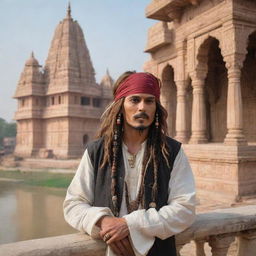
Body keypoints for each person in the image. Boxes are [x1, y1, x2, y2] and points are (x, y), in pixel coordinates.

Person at [63, 71, 196, 256]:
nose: (142, 107)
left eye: (149, 101)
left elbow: (185, 208)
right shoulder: (98, 151)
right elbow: (73, 204)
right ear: (121, 105)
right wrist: (103, 221)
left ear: (156, 107)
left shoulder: (172, 151)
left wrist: (129, 225)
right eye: (134, 100)